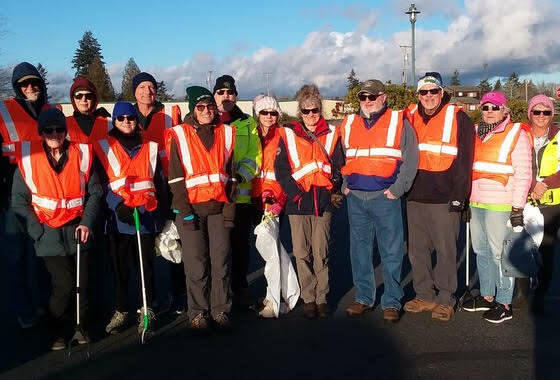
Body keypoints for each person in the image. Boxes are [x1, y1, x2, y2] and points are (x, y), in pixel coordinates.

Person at [11, 108, 102, 350]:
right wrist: (35, 229)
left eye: (59, 129)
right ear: (41, 132)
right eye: (49, 130)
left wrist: (87, 222)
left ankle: (80, 327)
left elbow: (95, 192)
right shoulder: (28, 159)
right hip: (48, 233)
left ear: (65, 130)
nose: (55, 134)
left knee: (83, 282)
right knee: (64, 283)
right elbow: (19, 201)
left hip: (77, 230)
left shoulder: (81, 154)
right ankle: (57, 330)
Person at [340, 79, 418, 323]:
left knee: (391, 251)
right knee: (359, 251)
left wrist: (398, 189)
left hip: (385, 197)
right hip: (356, 197)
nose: (367, 102)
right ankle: (364, 297)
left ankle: (392, 301)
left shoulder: (398, 122)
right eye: (363, 97)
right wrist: (345, 184)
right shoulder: (349, 123)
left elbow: (411, 158)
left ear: (383, 97)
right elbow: (342, 156)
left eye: (372, 97)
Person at [403, 72, 474, 322]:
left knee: (446, 251)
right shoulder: (408, 116)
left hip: (445, 197)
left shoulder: (459, 118)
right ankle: (424, 294)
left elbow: (466, 160)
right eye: (424, 92)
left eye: (434, 92)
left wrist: (459, 196)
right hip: (414, 195)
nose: (429, 96)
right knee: (417, 251)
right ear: (418, 95)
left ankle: (446, 298)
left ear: (442, 93)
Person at [166, 86, 236, 332]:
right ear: (192, 110)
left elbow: (231, 176)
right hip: (191, 209)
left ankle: (220, 309)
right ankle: (197, 312)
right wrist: (184, 210)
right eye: (200, 107)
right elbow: (175, 177)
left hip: (218, 208)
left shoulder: (227, 133)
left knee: (221, 261)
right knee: (196, 264)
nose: (206, 111)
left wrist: (229, 211)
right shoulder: (179, 134)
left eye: (209, 106)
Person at [94, 102, 166, 336]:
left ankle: (148, 308)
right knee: (119, 269)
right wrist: (116, 205)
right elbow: (101, 185)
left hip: (144, 217)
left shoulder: (150, 147)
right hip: (118, 219)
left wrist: (161, 214)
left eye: (131, 118)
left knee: (145, 267)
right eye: (121, 118)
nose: (127, 121)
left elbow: (159, 182)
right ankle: (121, 309)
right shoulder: (104, 147)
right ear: (114, 121)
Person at [462, 91, 532, 323]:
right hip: (476, 201)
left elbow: (523, 174)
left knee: (499, 254)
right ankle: (487, 296)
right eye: (486, 107)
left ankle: (504, 303)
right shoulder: (474, 133)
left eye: (495, 107)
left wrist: (517, 208)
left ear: (505, 110)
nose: (490, 111)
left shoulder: (516, 134)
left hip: (500, 204)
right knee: (481, 251)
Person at [275, 84, 343, 319]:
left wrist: (334, 190)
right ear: (299, 112)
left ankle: (322, 297)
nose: (311, 115)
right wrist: (294, 194)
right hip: (298, 203)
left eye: (315, 110)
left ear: (320, 110)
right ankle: (308, 298)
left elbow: (339, 167)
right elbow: (281, 169)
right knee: (302, 253)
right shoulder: (288, 134)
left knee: (321, 252)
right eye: (306, 111)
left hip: (323, 203)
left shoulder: (333, 134)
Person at [1, 62, 56, 329]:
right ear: (17, 87)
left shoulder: (50, 111)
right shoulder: (4, 112)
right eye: (24, 84)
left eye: (35, 82)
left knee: (44, 254)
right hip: (14, 195)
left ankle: (45, 305)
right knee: (17, 256)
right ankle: (25, 310)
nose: (31, 87)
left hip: (46, 194)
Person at [132, 72, 183, 312]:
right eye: (142, 87)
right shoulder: (125, 116)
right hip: (141, 189)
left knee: (175, 241)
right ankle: (148, 299)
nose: (147, 91)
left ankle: (178, 295)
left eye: (151, 87)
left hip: (168, 186)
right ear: (135, 91)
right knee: (145, 246)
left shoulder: (170, 116)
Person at [213, 75, 261, 307]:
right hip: (213, 199)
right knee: (217, 251)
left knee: (240, 248)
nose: (225, 96)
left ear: (236, 96)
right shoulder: (207, 121)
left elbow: (255, 155)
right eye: (221, 92)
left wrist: (240, 175)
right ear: (214, 96)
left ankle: (240, 290)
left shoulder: (247, 123)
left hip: (240, 198)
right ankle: (218, 295)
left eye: (230, 92)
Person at [250, 95, 288, 318]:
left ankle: (275, 299)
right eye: (264, 112)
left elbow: (286, 171)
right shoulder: (251, 134)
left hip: (272, 202)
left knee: (272, 251)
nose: (269, 117)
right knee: (262, 252)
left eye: (273, 113)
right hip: (253, 198)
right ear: (257, 114)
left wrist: (279, 201)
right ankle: (269, 293)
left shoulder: (283, 136)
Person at [525, 94, 559, 313]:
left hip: (551, 203)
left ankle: (541, 294)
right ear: (530, 114)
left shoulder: (559, 136)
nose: (541, 116)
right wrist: (530, 185)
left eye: (546, 112)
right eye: (536, 111)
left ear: (552, 114)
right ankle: (521, 292)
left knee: (546, 250)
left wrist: (543, 184)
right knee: (520, 248)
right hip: (524, 200)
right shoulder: (520, 135)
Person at [65, 77, 111, 143]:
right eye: (79, 96)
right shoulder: (64, 125)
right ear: (73, 99)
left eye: (88, 95)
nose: (84, 99)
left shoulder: (107, 122)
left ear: (94, 99)